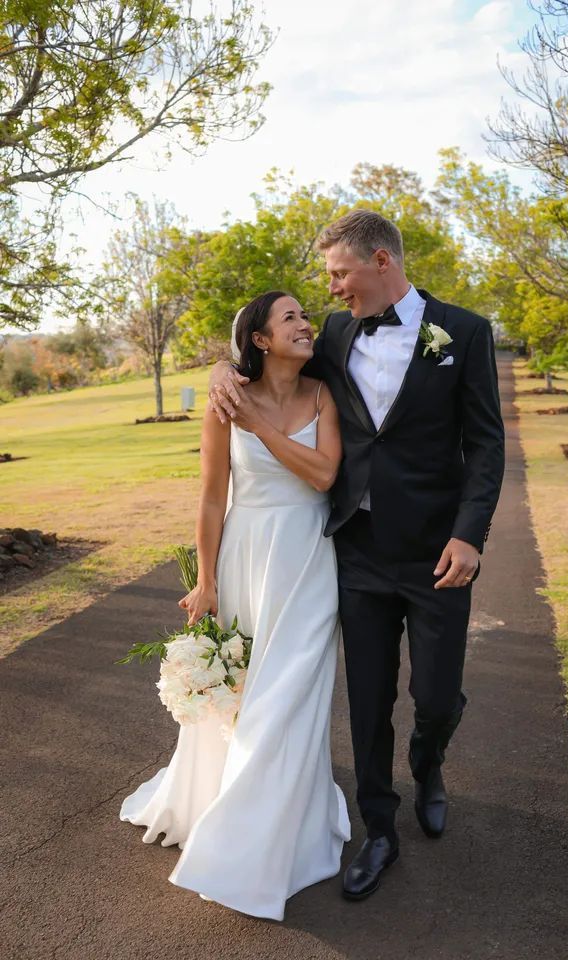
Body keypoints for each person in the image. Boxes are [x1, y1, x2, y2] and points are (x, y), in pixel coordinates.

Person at [208, 210, 505, 901]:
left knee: (433, 697)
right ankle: (379, 830)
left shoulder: (462, 332)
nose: (331, 290)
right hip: (357, 551)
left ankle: (429, 763)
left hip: (439, 554)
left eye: (339, 273)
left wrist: (471, 534)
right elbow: (265, 361)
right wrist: (225, 368)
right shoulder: (336, 334)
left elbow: (487, 446)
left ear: (380, 261)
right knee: (366, 701)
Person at [120, 291, 350, 921]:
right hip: (247, 556)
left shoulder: (324, 394)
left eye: (306, 315)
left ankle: (255, 843)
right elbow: (210, 498)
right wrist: (208, 581)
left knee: (290, 696)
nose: (306, 324)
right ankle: (233, 808)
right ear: (259, 339)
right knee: (247, 696)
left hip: (306, 559)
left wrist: (260, 425)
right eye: (291, 318)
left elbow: (325, 476)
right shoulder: (223, 404)